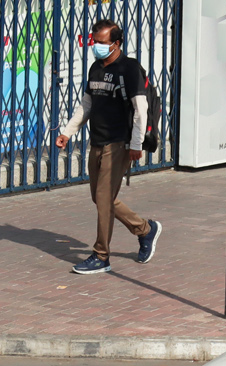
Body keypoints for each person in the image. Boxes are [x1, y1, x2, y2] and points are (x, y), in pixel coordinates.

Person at [55, 20, 163, 276]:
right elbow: (87, 105)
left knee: (104, 199)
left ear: (116, 43)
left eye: (102, 42)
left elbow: (141, 111)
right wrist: (68, 132)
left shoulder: (130, 69)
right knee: (100, 198)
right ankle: (146, 229)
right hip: (98, 141)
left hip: (120, 143)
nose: (96, 46)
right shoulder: (95, 68)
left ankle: (101, 255)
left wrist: (135, 144)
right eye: (94, 41)